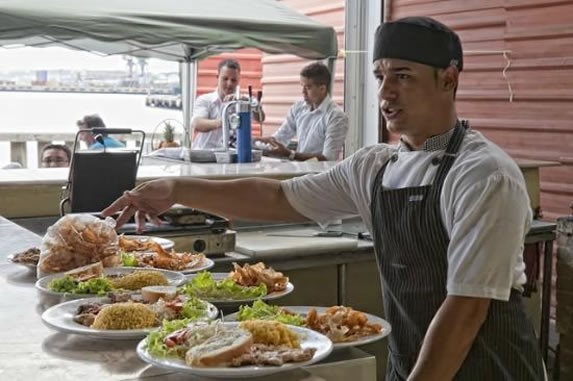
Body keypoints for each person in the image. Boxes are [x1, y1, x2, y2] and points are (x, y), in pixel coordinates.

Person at [102, 16, 544, 380]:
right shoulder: (375, 165)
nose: (386, 93)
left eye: (403, 77)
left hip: (490, 368)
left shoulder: (483, 175)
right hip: (412, 364)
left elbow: (466, 309)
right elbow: (278, 198)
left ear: (449, 79)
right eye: (380, 76)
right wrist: (179, 191)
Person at [254, 62, 348, 161]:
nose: (303, 92)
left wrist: (290, 154)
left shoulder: (336, 117)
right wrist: (255, 140)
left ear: (322, 89)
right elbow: (280, 137)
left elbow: (328, 158)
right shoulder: (298, 108)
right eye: (302, 86)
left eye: (308, 87)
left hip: (321, 174)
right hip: (299, 169)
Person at [191, 59, 265, 150]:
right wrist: (225, 122)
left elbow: (261, 118)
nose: (229, 84)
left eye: (233, 80)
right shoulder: (205, 100)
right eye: (225, 79)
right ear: (217, 77)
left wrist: (246, 103)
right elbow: (197, 124)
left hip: (232, 157)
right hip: (205, 154)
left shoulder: (244, 100)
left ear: (239, 81)